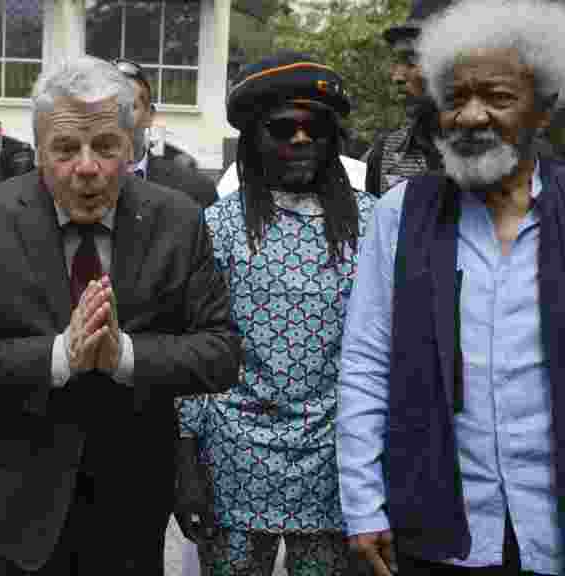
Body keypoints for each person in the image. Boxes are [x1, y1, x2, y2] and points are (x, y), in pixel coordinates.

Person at [0, 55, 240, 575]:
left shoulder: (176, 220)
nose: (86, 166)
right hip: (4, 516)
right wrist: (59, 356)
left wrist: (126, 356)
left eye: (105, 147)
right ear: (39, 151)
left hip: (128, 519)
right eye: (66, 149)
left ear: (130, 147)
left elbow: (221, 354)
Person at [338, 0, 565, 574]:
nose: (472, 116)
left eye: (499, 98)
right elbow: (365, 362)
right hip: (442, 531)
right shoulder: (402, 213)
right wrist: (362, 506)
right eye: (455, 98)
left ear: (543, 110)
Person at [176, 51, 375, 576]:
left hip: (333, 457)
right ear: (254, 139)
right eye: (283, 128)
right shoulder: (216, 226)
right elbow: (195, 346)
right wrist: (185, 463)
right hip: (236, 455)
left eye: (316, 129)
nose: (301, 140)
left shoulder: (373, 225)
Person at [362, 0, 449, 198]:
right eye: (398, 61)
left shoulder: (496, 150)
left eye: (411, 61)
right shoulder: (384, 154)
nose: (397, 77)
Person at [112, 57, 219, 208]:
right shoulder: (74, 188)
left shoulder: (194, 191)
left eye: (128, 107)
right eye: (109, 107)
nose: (117, 117)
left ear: (149, 115)